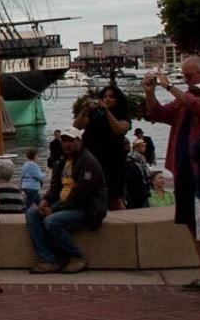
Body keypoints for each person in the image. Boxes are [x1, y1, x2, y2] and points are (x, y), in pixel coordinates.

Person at [145, 60, 200, 292]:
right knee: (193, 224)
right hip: (183, 171)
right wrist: (149, 92)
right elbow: (158, 114)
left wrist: (169, 85)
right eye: (183, 76)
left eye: (189, 76)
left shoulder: (197, 99)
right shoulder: (183, 100)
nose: (186, 80)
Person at [26, 127, 108, 274]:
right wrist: (45, 201)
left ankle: (77, 257)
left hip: (88, 208)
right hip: (66, 205)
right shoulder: (63, 161)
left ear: (79, 141)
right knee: (32, 213)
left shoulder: (88, 162)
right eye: (64, 141)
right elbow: (55, 188)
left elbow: (81, 196)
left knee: (52, 221)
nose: (66, 144)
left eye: (70, 140)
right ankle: (48, 259)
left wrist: (54, 209)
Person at [75, 85, 132, 210]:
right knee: (88, 192)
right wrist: (84, 111)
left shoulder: (122, 115)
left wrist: (107, 112)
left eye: (111, 97)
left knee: (114, 196)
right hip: (92, 158)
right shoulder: (94, 113)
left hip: (112, 160)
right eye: (105, 96)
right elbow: (78, 126)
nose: (107, 99)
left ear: (118, 99)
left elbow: (120, 129)